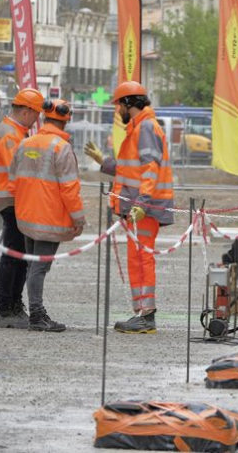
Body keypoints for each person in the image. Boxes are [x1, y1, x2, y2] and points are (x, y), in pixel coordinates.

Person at [84, 81, 174, 334]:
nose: (118, 112)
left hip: (143, 207)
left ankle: (146, 315)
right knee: (136, 259)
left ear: (128, 104)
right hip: (137, 207)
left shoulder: (145, 127)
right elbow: (129, 170)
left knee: (143, 259)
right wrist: (105, 162)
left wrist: (142, 204)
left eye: (119, 106)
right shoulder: (138, 128)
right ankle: (141, 314)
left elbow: (150, 169)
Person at [9, 99, 85, 332]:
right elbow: (69, 189)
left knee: (34, 266)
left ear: (43, 118)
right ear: (66, 122)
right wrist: (78, 218)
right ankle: (37, 315)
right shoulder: (61, 148)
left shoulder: (25, 143)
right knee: (39, 268)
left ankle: (36, 313)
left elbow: (13, 182)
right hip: (49, 220)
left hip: (26, 218)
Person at [0, 88, 44, 328]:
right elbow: (20, 170)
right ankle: (6, 309)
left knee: (20, 256)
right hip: (11, 200)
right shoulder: (9, 134)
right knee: (13, 255)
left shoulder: (16, 132)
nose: (37, 120)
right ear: (25, 111)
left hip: (16, 200)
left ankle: (13, 305)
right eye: (36, 115)